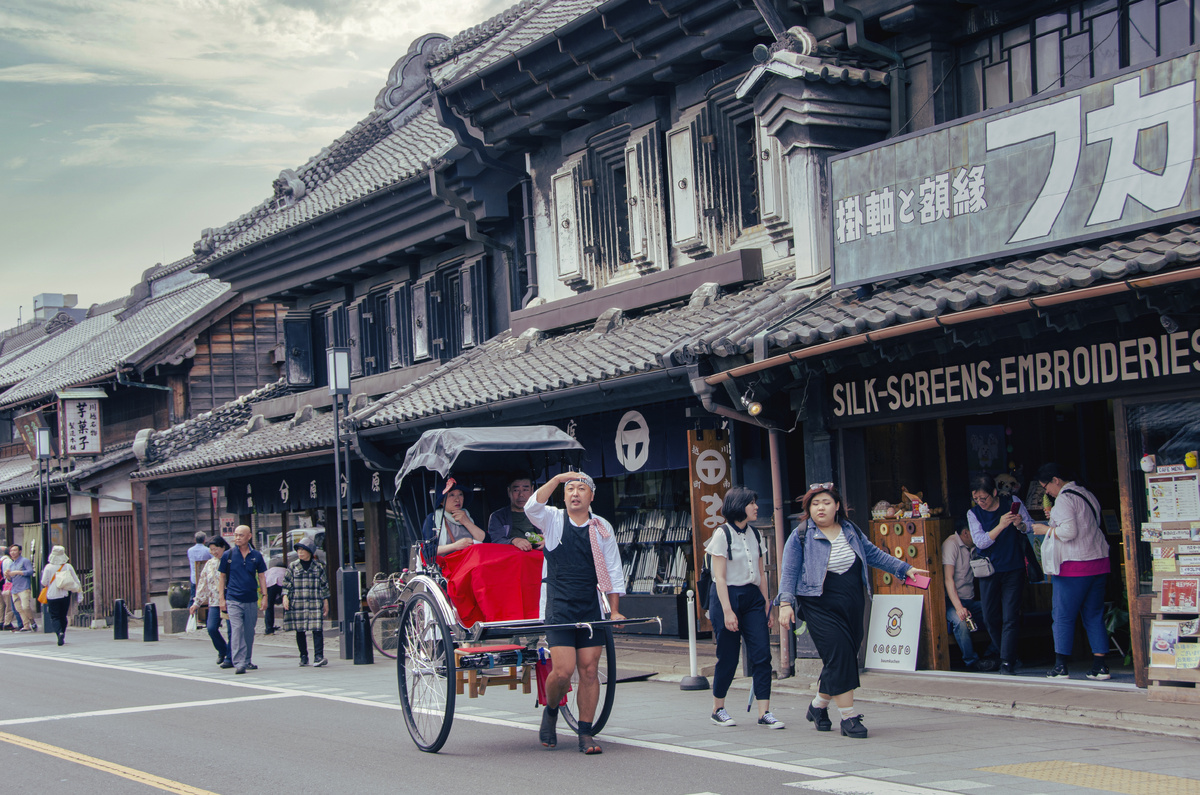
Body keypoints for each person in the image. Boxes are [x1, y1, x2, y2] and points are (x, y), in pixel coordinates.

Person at [778, 484, 925, 739]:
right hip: (818, 603)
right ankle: (849, 718)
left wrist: (905, 569)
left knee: (842, 657)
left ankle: (817, 707)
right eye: (815, 504)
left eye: (825, 502)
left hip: (852, 600)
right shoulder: (801, 535)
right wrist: (785, 603)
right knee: (840, 655)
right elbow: (789, 572)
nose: (820, 508)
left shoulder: (850, 530)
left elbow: (874, 555)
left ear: (837, 506)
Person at [525, 471, 624, 755]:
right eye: (570, 489)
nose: (576, 493)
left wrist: (614, 610)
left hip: (590, 603)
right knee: (563, 671)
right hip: (560, 604)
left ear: (591, 496)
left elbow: (613, 569)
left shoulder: (601, 526)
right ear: (564, 495)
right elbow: (532, 506)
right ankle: (552, 709)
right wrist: (556, 479)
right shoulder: (553, 519)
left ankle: (585, 732)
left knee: (590, 670)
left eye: (582, 488)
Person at [707, 487, 782, 729]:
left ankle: (764, 712)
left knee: (762, 654)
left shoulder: (756, 534)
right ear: (739, 505)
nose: (756, 507)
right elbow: (719, 578)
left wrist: (767, 604)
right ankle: (718, 708)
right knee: (728, 656)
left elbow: (760, 573)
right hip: (727, 595)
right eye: (751, 503)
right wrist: (728, 611)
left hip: (752, 597)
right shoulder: (722, 534)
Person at [1032, 463, 1112, 681]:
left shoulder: (1065, 499)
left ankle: (1060, 666)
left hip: (1074, 566)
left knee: (1063, 616)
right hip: (1098, 562)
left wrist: (1044, 529)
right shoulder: (1087, 494)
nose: (1047, 492)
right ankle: (1100, 666)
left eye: (1046, 487)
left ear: (1056, 480)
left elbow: (1068, 532)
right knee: (1094, 615)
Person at [968, 474, 1036, 676]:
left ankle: (1006, 661)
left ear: (994, 493)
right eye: (977, 498)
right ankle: (1009, 655)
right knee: (990, 616)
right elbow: (980, 542)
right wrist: (1001, 525)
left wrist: (1020, 524)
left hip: (1013, 567)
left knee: (1010, 615)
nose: (980, 502)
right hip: (988, 570)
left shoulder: (1012, 502)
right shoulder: (973, 514)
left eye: (984, 498)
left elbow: (1029, 526)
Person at [942, 521, 998, 672]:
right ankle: (971, 662)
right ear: (966, 533)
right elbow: (948, 579)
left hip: (970, 600)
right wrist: (959, 608)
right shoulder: (951, 544)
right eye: (975, 532)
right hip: (951, 602)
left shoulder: (974, 547)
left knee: (996, 610)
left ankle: (992, 653)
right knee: (960, 622)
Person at [218, 525, 267, 674]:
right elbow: (222, 577)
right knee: (237, 629)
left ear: (249, 536)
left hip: (251, 599)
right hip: (233, 599)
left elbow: (261, 576)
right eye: (236, 535)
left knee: (249, 631)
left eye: (241, 535)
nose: (237, 538)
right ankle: (239, 662)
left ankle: (247, 660)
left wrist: (265, 596)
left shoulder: (256, 556)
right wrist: (221, 598)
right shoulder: (228, 555)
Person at [283, 535, 330, 667]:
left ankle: (318, 656)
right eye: (298, 550)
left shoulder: (318, 567)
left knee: (317, 629)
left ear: (310, 551)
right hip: (298, 601)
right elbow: (286, 583)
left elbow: (324, 585)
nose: (300, 552)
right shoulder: (293, 566)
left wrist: (326, 601)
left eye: (303, 550)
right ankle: (303, 655)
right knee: (300, 629)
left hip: (314, 601)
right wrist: (285, 597)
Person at [189, 535, 231, 666]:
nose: (213, 552)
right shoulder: (210, 564)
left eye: (215, 549)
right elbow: (203, 584)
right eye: (211, 550)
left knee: (232, 630)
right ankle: (222, 650)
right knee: (212, 628)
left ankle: (230, 656)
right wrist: (197, 603)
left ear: (223, 547)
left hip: (230, 599)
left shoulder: (230, 560)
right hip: (214, 600)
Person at [421, 481, 486, 555]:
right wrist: (455, 546)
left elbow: (486, 541)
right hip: (447, 564)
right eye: (451, 495)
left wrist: (467, 522)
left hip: (473, 560)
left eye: (460, 494)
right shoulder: (433, 519)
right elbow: (428, 551)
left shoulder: (469, 516)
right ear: (442, 501)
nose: (457, 499)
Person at [40, 546, 80, 646]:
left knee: (55, 616)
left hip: (52, 595)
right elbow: (76, 580)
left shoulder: (48, 567)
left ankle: (59, 633)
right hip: (65, 594)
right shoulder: (67, 566)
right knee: (63, 616)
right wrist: (80, 593)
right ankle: (63, 632)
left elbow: (44, 582)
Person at [487, 476, 540, 550]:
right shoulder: (498, 516)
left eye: (525, 490)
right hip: (511, 557)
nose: (521, 494)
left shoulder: (541, 514)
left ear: (532, 490)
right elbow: (496, 540)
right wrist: (514, 540)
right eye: (516, 490)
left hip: (538, 556)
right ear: (509, 491)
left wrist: (545, 542)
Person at [6, 545, 36, 632]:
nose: (13, 552)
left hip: (24, 587)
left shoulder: (25, 561)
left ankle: (32, 621)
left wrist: (18, 572)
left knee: (25, 606)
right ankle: (26, 625)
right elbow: (11, 579)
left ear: (20, 551)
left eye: (15, 550)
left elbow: (30, 571)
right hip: (15, 588)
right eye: (11, 551)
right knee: (19, 609)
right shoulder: (12, 564)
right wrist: (7, 575)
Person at [186, 530, 210, 606]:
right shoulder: (208, 550)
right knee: (206, 598)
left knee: (193, 597)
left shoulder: (190, 550)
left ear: (195, 540)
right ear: (204, 540)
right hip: (206, 578)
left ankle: (192, 616)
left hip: (194, 577)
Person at [264, 562, 287, 634]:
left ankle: (269, 628)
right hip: (282, 583)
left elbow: (264, 579)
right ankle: (287, 625)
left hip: (270, 584)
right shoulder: (285, 570)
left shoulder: (270, 570)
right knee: (286, 604)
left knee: (269, 607)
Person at [1, 551, 17, 630]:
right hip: (6, 586)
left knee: (1, 605)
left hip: (2, 586)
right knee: (9, 605)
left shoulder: (1, 560)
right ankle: (7, 623)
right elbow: (7, 574)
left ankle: (1, 621)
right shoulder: (8, 561)